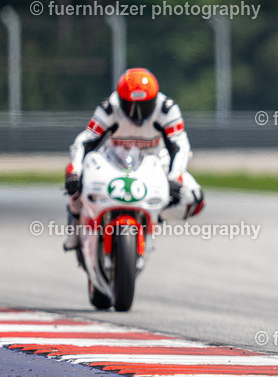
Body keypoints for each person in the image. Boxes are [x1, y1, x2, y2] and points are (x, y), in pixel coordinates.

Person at [62, 67, 205, 251]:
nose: (137, 114)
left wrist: (175, 176)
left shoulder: (166, 109)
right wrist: (75, 169)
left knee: (194, 199)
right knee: (76, 184)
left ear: (154, 99)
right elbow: (87, 139)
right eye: (130, 105)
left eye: (144, 106)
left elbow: (180, 145)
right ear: (121, 99)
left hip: (155, 163)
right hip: (115, 161)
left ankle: (150, 220)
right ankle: (75, 226)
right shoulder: (110, 107)